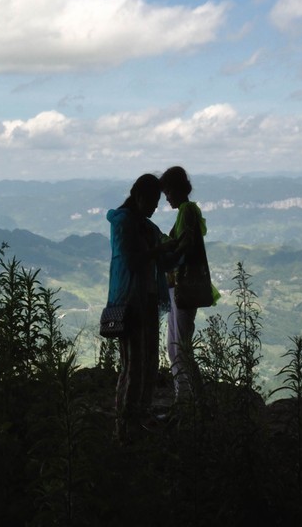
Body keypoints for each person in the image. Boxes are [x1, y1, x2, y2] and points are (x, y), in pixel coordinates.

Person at [106, 173, 167, 441]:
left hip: (148, 298)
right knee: (133, 363)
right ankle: (124, 425)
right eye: (152, 201)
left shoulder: (145, 225)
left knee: (149, 359)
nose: (155, 208)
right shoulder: (123, 224)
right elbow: (130, 260)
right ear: (139, 196)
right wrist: (158, 252)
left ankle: (141, 414)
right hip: (130, 301)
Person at [159, 165, 206, 400]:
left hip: (183, 287)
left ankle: (192, 401)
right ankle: (186, 398)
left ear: (177, 189)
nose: (166, 198)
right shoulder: (185, 212)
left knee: (180, 347)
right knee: (175, 345)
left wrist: (163, 248)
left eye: (167, 192)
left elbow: (185, 246)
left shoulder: (187, 211)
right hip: (177, 288)